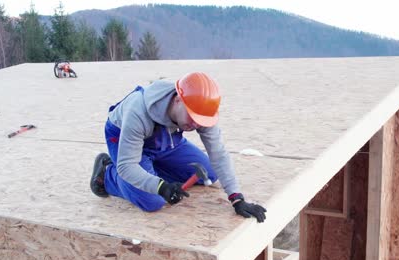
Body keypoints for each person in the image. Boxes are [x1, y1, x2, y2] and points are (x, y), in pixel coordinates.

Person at [89, 72, 267, 222]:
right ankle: (107, 175)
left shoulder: (201, 109)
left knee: (210, 172)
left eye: (200, 121)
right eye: (192, 118)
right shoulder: (138, 112)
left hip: (165, 139)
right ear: (178, 100)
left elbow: (218, 154)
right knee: (153, 201)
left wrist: (236, 197)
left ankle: (150, 170)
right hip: (125, 137)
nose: (196, 124)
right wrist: (160, 187)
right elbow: (128, 166)